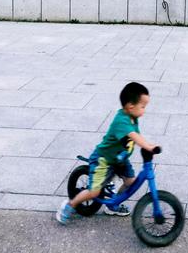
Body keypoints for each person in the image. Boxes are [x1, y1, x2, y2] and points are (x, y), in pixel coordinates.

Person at [56, 82, 158, 224]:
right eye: (143, 106)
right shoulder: (121, 121)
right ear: (130, 106)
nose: (144, 110)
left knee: (131, 182)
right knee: (94, 192)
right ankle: (70, 205)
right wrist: (147, 146)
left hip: (119, 159)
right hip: (104, 159)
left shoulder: (133, 118)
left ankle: (112, 205)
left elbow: (137, 136)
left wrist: (149, 145)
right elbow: (133, 135)